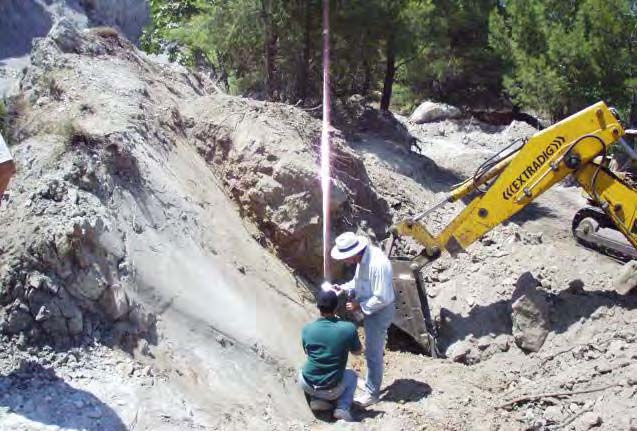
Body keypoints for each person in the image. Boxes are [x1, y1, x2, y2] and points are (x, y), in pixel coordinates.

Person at [331, 231, 395, 407]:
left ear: (355, 252)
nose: (346, 261)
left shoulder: (377, 263)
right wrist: (343, 288)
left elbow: (382, 297)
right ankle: (369, 382)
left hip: (380, 311)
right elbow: (359, 282)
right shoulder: (363, 259)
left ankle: (372, 393)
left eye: (347, 257)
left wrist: (359, 306)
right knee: (371, 350)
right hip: (371, 308)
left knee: (373, 353)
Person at [298, 289, 362, 422]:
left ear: (318, 306)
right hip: (330, 389)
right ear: (336, 306)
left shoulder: (307, 329)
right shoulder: (348, 328)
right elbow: (357, 352)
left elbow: (308, 352)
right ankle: (342, 409)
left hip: (306, 383)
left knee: (305, 366)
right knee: (351, 375)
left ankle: (317, 400)